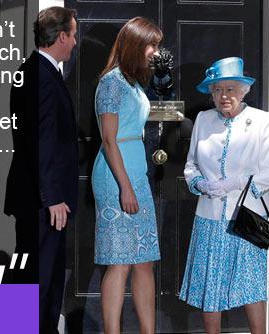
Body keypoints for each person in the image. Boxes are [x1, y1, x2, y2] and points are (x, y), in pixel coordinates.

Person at [179, 57, 269, 334]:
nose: (223, 96)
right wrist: (200, 183)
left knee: (250, 287)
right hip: (210, 216)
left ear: (242, 91)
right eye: (217, 90)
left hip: (247, 218)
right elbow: (190, 165)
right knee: (210, 287)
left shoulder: (261, 121)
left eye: (229, 89)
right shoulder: (203, 119)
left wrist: (239, 183)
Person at [4, 6, 78, 334]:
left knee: (43, 281)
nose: (75, 42)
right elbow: (42, 140)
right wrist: (53, 197)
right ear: (61, 36)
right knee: (40, 281)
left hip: (38, 196)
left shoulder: (34, 71)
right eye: (73, 35)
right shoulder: (41, 76)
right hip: (43, 201)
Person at [91, 17, 162, 334]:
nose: (155, 52)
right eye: (151, 45)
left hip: (138, 174)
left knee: (144, 261)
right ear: (134, 45)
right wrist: (125, 188)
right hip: (116, 176)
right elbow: (108, 139)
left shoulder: (133, 83)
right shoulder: (111, 83)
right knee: (119, 261)